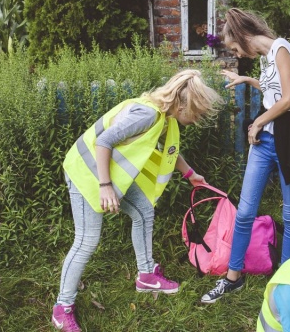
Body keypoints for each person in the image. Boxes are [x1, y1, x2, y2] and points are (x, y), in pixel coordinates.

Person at [51, 69, 222, 332]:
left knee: (143, 211)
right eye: (196, 114)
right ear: (182, 105)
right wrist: (105, 186)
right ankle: (62, 308)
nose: (196, 120)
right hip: (87, 173)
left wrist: (190, 175)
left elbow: (168, 151)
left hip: (109, 173)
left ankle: (146, 276)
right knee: (86, 241)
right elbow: (104, 141)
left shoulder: (163, 116)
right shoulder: (147, 115)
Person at [201, 8, 290, 303]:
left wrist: (257, 122)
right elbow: (273, 91)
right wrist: (246, 80)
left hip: (289, 139)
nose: (237, 54)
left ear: (242, 36)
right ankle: (233, 278)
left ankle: (285, 279)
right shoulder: (267, 57)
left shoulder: (281, 49)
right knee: (245, 212)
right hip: (265, 142)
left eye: (234, 48)